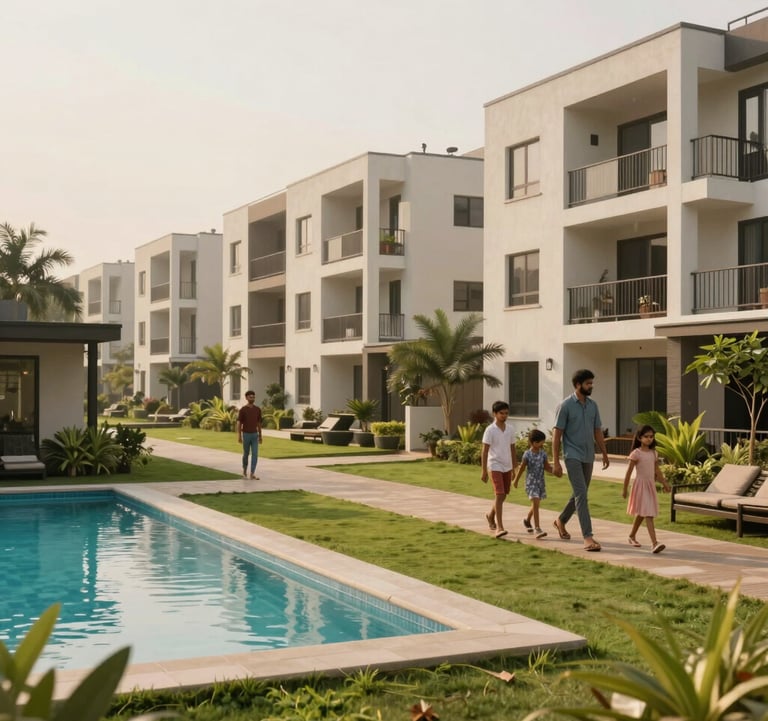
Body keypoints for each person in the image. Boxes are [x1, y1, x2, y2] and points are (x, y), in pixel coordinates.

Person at [552, 369, 609, 552]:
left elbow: (597, 430)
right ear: (577, 385)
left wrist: (604, 453)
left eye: (592, 383)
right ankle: (588, 537)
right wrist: (556, 461)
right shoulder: (565, 406)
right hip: (572, 455)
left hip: (588, 455)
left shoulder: (593, 405)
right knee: (582, 495)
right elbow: (557, 434)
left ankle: (560, 521)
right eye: (588, 384)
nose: (591, 386)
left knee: (580, 493)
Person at [623, 424, 671, 553]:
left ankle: (632, 536)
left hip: (650, 486)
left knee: (642, 513)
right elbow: (628, 473)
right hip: (640, 486)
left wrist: (665, 484)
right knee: (648, 514)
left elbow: (657, 471)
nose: (649, 439)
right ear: (639, 437)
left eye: (651, 436)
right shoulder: (636, 453)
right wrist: (624, 489)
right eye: (646, 436)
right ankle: (654, 543)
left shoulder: (654, 453)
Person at [480, 400, 518, 539]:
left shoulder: (510, 429)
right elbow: (484, 451)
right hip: (494, 465)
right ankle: (500, 527)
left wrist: (514, 468)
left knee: (503, 495)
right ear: (494, 414)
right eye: (501, 413)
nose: (504, 415)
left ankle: (490, 516)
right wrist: (484, 470)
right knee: (499, 494)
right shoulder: (490, 430)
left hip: (507, 465)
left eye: (506, 413)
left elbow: (513, 449)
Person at [513, 428, 553, 539]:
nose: (542, 444)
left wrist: (554, 471)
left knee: (536, 504)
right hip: (531, 483)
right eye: (540, 442)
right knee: (535, 503)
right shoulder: (527, 455)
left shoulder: (543, 454)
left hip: (540, 482)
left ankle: (527, 520)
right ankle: (537, 528)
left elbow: (547, 467)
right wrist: (516, 480)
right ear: (533, 442)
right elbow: (521, 468)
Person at [237, 390, 263, 479]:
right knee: (246, 454)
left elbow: (259, 423)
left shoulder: (257, 409)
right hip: (246, 434)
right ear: (246, 398)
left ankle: (252, 473)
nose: (252, 398)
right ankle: (244, 471)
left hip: (254, 434)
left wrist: (260, 435)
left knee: (255, 454)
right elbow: (239, 423)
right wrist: (239, 436)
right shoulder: (243, 410)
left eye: (253, 397)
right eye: (250, 397)